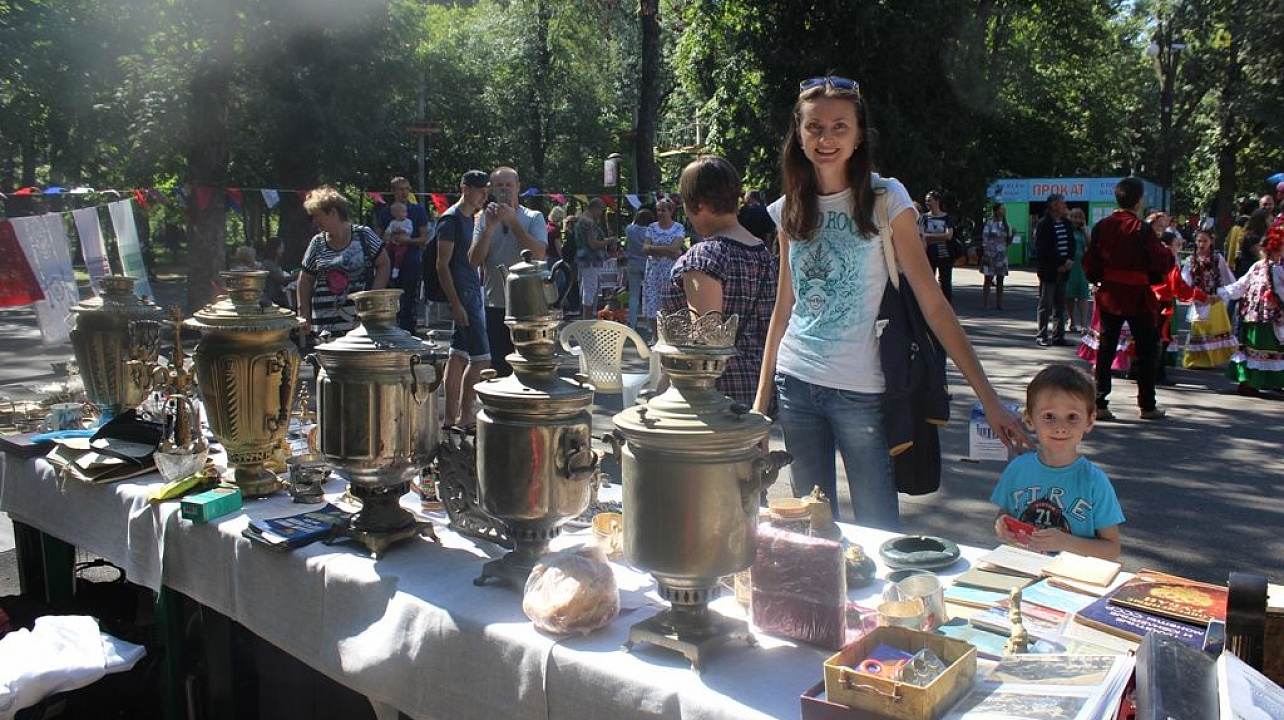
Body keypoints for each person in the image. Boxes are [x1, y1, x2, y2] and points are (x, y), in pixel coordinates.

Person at [755, 76, 1031, 529]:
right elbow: (783, 309)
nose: (826, 138)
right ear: (799, 135)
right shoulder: (788, 209)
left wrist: (990, 398)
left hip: (861, 391)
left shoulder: (886, 199)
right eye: (814, 127)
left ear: (859, 136)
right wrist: (759, 410)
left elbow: (932, 302)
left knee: (879, 528)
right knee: (810, 528)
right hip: (795, 383)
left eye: (840, 127)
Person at [661, 156, 777, 409]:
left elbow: (704, 342)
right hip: (759, 390)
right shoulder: (764, 254)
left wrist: (660, 395)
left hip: (713, 397)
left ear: (699, 205)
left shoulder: (704, 256)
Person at [991, 364, 1123, 561]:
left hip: (1071, 575)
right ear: (1029, 419)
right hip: (1021, 567)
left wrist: (1065, 543)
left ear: (1089, 421)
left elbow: (1112, 549)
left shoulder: (1094, 481)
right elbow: (1005, 514)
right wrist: (1001, 525)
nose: (1060, 427)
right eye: (1049, 416)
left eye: (1072, 417)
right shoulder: (1017, 469)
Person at [1082, 177, 1173, 421]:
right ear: (1139, 200)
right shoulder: (1141, 228)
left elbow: (1090, 260)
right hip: (1137, 295)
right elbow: (1160, 260)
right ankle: (1147, 405)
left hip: (1110, 294)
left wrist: (1098, 279)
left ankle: (1099, 402)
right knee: (1146, 349)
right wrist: (1168, 257)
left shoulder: (1102, 226)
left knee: (1106, 347)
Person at [467, 166, 548, 377]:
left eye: (509, 185)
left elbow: (538, 254)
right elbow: (474, 260)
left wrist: (513, 223)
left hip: (529, 306)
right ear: (492, 189)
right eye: (499, 186)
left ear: (518, 187)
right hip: (496, 304)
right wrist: (489, 228)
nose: (505, 190)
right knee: (500, 368)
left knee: (530, 367)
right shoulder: (483, 218)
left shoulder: (533, 216)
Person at [437, 170, 491, 431]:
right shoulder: (451, 220)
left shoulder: (473, 218)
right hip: (464, 297)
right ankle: (465, 415)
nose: (484, 195)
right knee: (481, 359)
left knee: (457, 355)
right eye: (480, 190)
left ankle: (451, 418)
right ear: (465, 189)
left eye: (486, 190)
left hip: (473, 292)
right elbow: (441, 265)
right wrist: (456, 303)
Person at [298, 186, 390, 337]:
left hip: (362, 325)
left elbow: (384, 264)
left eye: (317, 216)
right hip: (325, 328)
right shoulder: (317, 242)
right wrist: (303, 313)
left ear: (333, 213)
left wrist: (372, 298)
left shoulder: (364, 234)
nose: (314, 221)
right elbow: (305, 278)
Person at [1219, 223, 1284, 396]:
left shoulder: (1260, 267)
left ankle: (1257, 382)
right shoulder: (1273, 269)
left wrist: (1222, 294)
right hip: (1266, 319)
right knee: (1264, 349)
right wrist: (1221, 294)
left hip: (1256, 316)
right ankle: (1255, 382)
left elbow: (1240, 286)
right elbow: (1242, 285)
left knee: (1261, 350)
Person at [1150, 231, 1211, 384]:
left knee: (1152, 338)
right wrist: (1203, 297)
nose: (1178, 247)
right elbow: (1179, 288)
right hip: (1162, 304)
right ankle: (1156, 374)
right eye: (1176, 245)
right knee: (1160, 339)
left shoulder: (1152, 258)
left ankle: (1147, 371)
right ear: (1167, 246)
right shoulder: (1168, 262)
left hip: (1150, 302)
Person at [377, 177, 430, 333]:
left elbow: (424, 238)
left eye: (407, 189)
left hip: (411, 261)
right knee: (391, 299)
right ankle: (390, 331)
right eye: (400, 189)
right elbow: (378, 236)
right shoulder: (386, 212)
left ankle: (409, 332)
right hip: (389, 262)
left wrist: (407, 241)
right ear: (393, 191)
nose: (404, 192)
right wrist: (390, 238)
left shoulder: (417, 210)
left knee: (409, 299)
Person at [1181, 229, 1237, 368]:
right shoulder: (1191, 260)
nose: (1201, 244)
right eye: (1199, 241)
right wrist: (1188, 293)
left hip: (1214, 299)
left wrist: (1228, 293)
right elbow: (1185, 280)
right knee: (1199, 327)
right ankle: (1197, 360)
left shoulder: (1217, 258)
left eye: (1205, 241)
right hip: (1198, 299)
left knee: (1213, 329)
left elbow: (1227, 277)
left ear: (1211, 241)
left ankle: (1212, 360)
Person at [641, 198, 685, 337]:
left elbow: (675, 248)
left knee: (669, 301)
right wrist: (667, 250)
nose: (660, 213)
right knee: (653, 302)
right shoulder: (651, 227)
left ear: (671, 211)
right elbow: (645, 248)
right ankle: (655, 336)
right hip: (653, 271)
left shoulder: (678, 228)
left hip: (670, 271)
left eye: (663, 210)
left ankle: (669, 335)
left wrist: (654, 248)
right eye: (658, 210)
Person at [1035, 193, 1074, 346]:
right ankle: (1042, 335)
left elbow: (1071, 243)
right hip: (1050, 270)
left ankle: (1058, 336)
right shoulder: (1043, 224)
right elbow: (1044, 249)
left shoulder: (1066, 223)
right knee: (1046, 305)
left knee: (1060, 305)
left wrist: (1069, 260)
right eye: (1061, 203)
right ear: (1053, 205)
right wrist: (1061, 262)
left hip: (1065, 270)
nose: (1064, 205)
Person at [573, 198, 610, 318]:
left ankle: (586, 317)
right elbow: (593, 244)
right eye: (600, 211)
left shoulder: (580, 220)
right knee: (590, 288)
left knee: (585, 288)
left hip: (583, 258)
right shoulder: (589, 223)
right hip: (591, 259)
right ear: (594, 208)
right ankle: (587, 319)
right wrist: (608, 241)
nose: (600, 214)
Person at [919, 190, 955, 302]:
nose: (927, 203)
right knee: (929, 281)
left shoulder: (947, 217)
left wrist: (929, 236)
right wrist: (940, 236)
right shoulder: (924, 217)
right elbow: (922, 235)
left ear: (937, 201)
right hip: (929, 253)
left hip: (945, 254)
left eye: (929, 200)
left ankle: (947, 305)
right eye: (926, 201)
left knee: (945, 283)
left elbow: (949, 236)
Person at [624, 208, 653, 330]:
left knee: (634, 295)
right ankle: (650, 324)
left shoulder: (629, 229)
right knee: (649, 294)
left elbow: (631, 226)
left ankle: (632, 322)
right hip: (647, 262)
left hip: (632, 263)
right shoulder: (650, 231)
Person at [980, 203, 1011, 310]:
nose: (1003, 211)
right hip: (990, 254)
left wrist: (1012, 235)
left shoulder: (1006, 225)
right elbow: (985, 239)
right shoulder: (989, 224)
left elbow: (1008, 242)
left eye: (1004, 209)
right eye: (1001, 209)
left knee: (1000, 279)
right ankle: (986, 303)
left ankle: (1000, 303)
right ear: (996, 211)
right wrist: (985, 253)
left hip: (1002, 256)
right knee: (988, 279)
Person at [1065, 208, 1092, 332]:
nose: (1077, 220)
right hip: (1069, 266)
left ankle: (1084, 323)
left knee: (1083, 295)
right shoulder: (1067, 230)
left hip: (1081, 266)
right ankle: (1071, 320)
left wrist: (1084, 228)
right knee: (1069, 295)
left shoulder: (1084, 230)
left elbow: (1090, 244)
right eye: (1074, 217)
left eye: (1079, 217)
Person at [259, 238, 296, 308]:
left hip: (277, 297)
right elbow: (281, 280)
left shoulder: (274, 264)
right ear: (274, 248)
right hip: (272, 299)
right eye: (281, 248)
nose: (282, 251)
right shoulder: (268, 264)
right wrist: (298, 276)